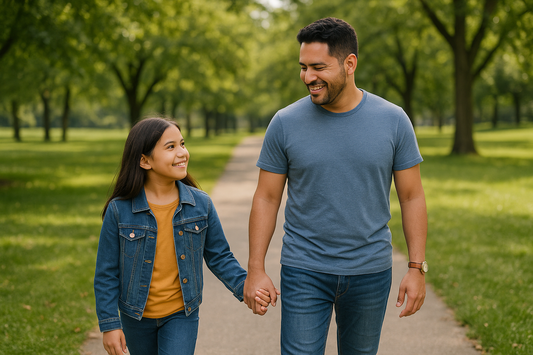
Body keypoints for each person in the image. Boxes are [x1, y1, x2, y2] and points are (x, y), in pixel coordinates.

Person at [243, 17, 428, 355]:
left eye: (318, 67)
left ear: (349, 63)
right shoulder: (285, 123)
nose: (308, 78)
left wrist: (416, 268)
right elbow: (267, 198)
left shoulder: (393, 120)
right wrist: (255, 269)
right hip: (304, 269)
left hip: (370, 272)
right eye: (303, 67)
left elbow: (412, 196)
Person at [94, 117, 272, 355]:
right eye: (171, 147)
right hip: (135, 315)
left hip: (181, 313)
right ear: (144, 160)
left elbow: (220, 257)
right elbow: (106, 273)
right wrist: (109, 324)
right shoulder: (120, 210)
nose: (182, 153)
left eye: (182, 144)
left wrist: (245, 287)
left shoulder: (200, 204)